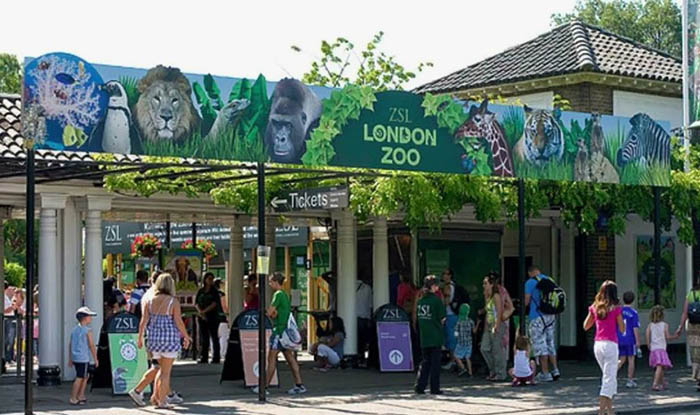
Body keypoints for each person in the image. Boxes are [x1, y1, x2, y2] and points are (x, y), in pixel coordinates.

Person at [133, 273, 192, 409]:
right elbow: (178, 321)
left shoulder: (150, 300)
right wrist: (186, 336)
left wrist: (140, 337)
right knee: (166, 373)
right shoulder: (173, 301)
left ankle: (156, 397)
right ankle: (162, 401)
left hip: (154, 340)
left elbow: (144, 320)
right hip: (169, 339)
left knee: (158, 368)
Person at [255, 272, 306, 395]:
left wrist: (271, 313)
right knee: (290, 358)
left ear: (275, 282)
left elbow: (270, 312)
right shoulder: (285, 295)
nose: (269, 284)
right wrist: (274, 314)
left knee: (271, 358)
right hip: (286, 333)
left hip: (278, 332)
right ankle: (299, 384)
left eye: (271, 281)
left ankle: (264, 387)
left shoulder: (277, 295)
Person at [584, 280, 626, 415]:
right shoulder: (616, 308)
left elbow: (586, 326)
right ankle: (601, 412)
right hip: (611, 344)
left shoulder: (595, 307)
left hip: (598, 344)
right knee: (608, 380)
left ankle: (610, 411)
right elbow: (622, 328)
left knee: (609, 376)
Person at [524, 265, 560, 382]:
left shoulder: (530, 282)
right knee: (550, 342)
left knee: (540, 344)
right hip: (550, 316)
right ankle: (555, 370)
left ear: (530, 273)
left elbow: (527, 301)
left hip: (536, 316)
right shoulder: (550, 280)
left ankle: (545, 373)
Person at [414, 275, 445, 395]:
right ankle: (434, 388)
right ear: (433, 286)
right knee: (435, 364)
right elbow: (442, 319)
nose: (438, 287)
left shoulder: (421, 301)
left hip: (424, 336)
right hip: (435, 336)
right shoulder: (436, 301)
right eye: (436, 285)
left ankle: (420, 386)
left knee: (425, 362)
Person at [68, 306, 99, 405]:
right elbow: (91, 345)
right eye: (90, 316)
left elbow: (70, 343)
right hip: (83, 357)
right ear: (85, 318)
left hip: (76, 356)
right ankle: (73, 397)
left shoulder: (74, 330)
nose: (91, 318)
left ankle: (81, 395)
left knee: (85, 376)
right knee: (80, 377)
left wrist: (70, 358)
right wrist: (96, 358)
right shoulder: (87, 330)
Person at [675, 273, 700, 391]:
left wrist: (680, 327)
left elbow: (685, 313)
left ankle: (696, 373)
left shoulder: (691, 294)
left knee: (695, 350)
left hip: (692, 326)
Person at [480, 273, 507, 381]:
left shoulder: (496, 296)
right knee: (484, 348)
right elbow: (488, 312)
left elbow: (499, 311)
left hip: (497, 323)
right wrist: (486, 326)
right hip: (489, 323)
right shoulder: (487, 296)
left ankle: (500, 373)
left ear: (491, 284)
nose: (484, 285)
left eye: (485, 283)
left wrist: (497, 324)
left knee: (497, 349)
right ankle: (493, 370)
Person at [647, 305, 679, 391]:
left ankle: (662, 382)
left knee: (660, 366)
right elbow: (667, 337)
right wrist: (675, 337)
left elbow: (647, 336)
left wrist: (648, 345)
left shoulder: (650, 325)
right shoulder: (665, 325)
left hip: (654, 348)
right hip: (661, 348)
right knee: (660, 366)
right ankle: (655, 383)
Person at [195, 272, 223, 364]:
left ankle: (216, 357)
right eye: (208, 278)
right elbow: (196, 303)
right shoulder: (201, 291)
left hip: (213, 317)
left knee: (214, 337)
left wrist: (205, 311)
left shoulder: (214, 292)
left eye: (212, 278)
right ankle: (204, 357)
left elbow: (215, 303)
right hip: (202, 317)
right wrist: (200, 311)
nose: (210, 280)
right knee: (204, 337)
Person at [441, 269, 465, 370]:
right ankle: (457, 360)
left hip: (450, 316)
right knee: (455, 338)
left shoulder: (447, 287)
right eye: (443, 274)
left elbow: (445, 302)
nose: (444, 276)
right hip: (456, 315)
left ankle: (453, 361)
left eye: (446, 274)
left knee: (451, 340)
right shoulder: (455, 286)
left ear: (450, 275)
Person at [617, 291, 641, 388]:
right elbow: (635, 328)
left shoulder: (619, 311)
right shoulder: (634, 313)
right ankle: (630, 380)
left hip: (620, 338)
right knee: (631, 359)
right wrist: (638, 341)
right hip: (630, 339)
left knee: (621, 359)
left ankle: (609, 377)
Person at [453, 303, 476, 377]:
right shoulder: (470, 321)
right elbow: (474, 331)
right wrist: (478, 323)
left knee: (456, 356)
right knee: (468, 357)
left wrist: (456, 337)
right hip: (469, 342)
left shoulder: (459, 321)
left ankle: (463, 368)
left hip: (461, 342)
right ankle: (470, 373)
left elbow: (456, 332)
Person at [356, 278, 373, 365]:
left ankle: (356, 356)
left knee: (355, 338)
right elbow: (370, 304)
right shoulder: (368, 288)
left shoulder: (348, 287)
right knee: (363, 339)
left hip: (352, 316)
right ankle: (362, 357)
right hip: (364, 316)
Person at [4, 284, 17, 364]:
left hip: (10, 319)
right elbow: (5, 310)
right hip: (7, 319)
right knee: (8, 340)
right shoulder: (3, 298)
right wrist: (12, 307)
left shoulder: (6, 297)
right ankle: (7, 358)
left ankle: (9, 357)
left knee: (11, 340)